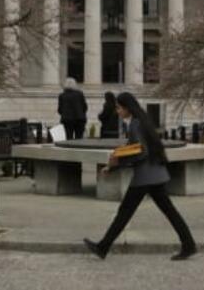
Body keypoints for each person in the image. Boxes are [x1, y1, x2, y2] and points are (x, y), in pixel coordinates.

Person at [83, 92, 196, 261]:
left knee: (125, 212)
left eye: (119, 108)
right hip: (155, 173)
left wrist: (116, 163)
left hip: (145, 176)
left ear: (127, 108)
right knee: (169, 211)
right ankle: (189, 244)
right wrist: (113, 166)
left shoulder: (135, 125)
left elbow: (139, 152)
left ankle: (103, 247)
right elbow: (135, 149)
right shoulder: (142, 121)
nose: (117, 111)